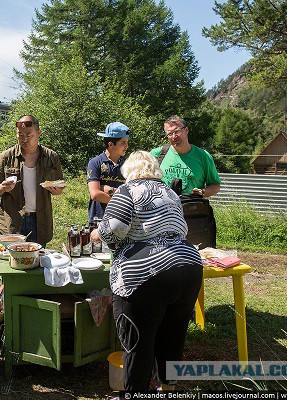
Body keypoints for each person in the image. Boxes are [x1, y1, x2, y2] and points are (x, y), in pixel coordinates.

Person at [91, 150, 203, 391]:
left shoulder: (127, 191)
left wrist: (99, 233)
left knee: (138, 342)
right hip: (188, 266)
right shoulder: (171, 193)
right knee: (173, 335)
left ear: (128, 172)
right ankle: (168, 389)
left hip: (146, 272)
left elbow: (113, 231)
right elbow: (180, 228)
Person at [0, 114, 64, 247]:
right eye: (20, 135)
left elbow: (59, 189)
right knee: (14, 262)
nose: (24, 139)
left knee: (37, 260)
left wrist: (56, 190)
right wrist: (3, 188)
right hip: (13, 219)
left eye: (29, 135)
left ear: (39, 133)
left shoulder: (51, 157)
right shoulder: (6, 157)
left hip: (40, 220)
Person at [150, 115, 220, 197]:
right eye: (170, 134)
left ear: (186, 130)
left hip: (191, 207)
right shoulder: (156, 154)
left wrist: (202, 192)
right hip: (163, 208)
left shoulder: (203, 156)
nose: (174, 136)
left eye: (177, 131)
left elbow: (215, 186)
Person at [86, 122, 130, 223]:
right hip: (99, 219)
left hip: (122, 219)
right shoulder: (95, 162)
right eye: (123, 143)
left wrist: (107, 189)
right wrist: (122, 201)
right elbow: (95, 194)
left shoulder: (128, 164)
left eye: (127, 142)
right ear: (110, 144)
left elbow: (131, 193)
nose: (127, 146)